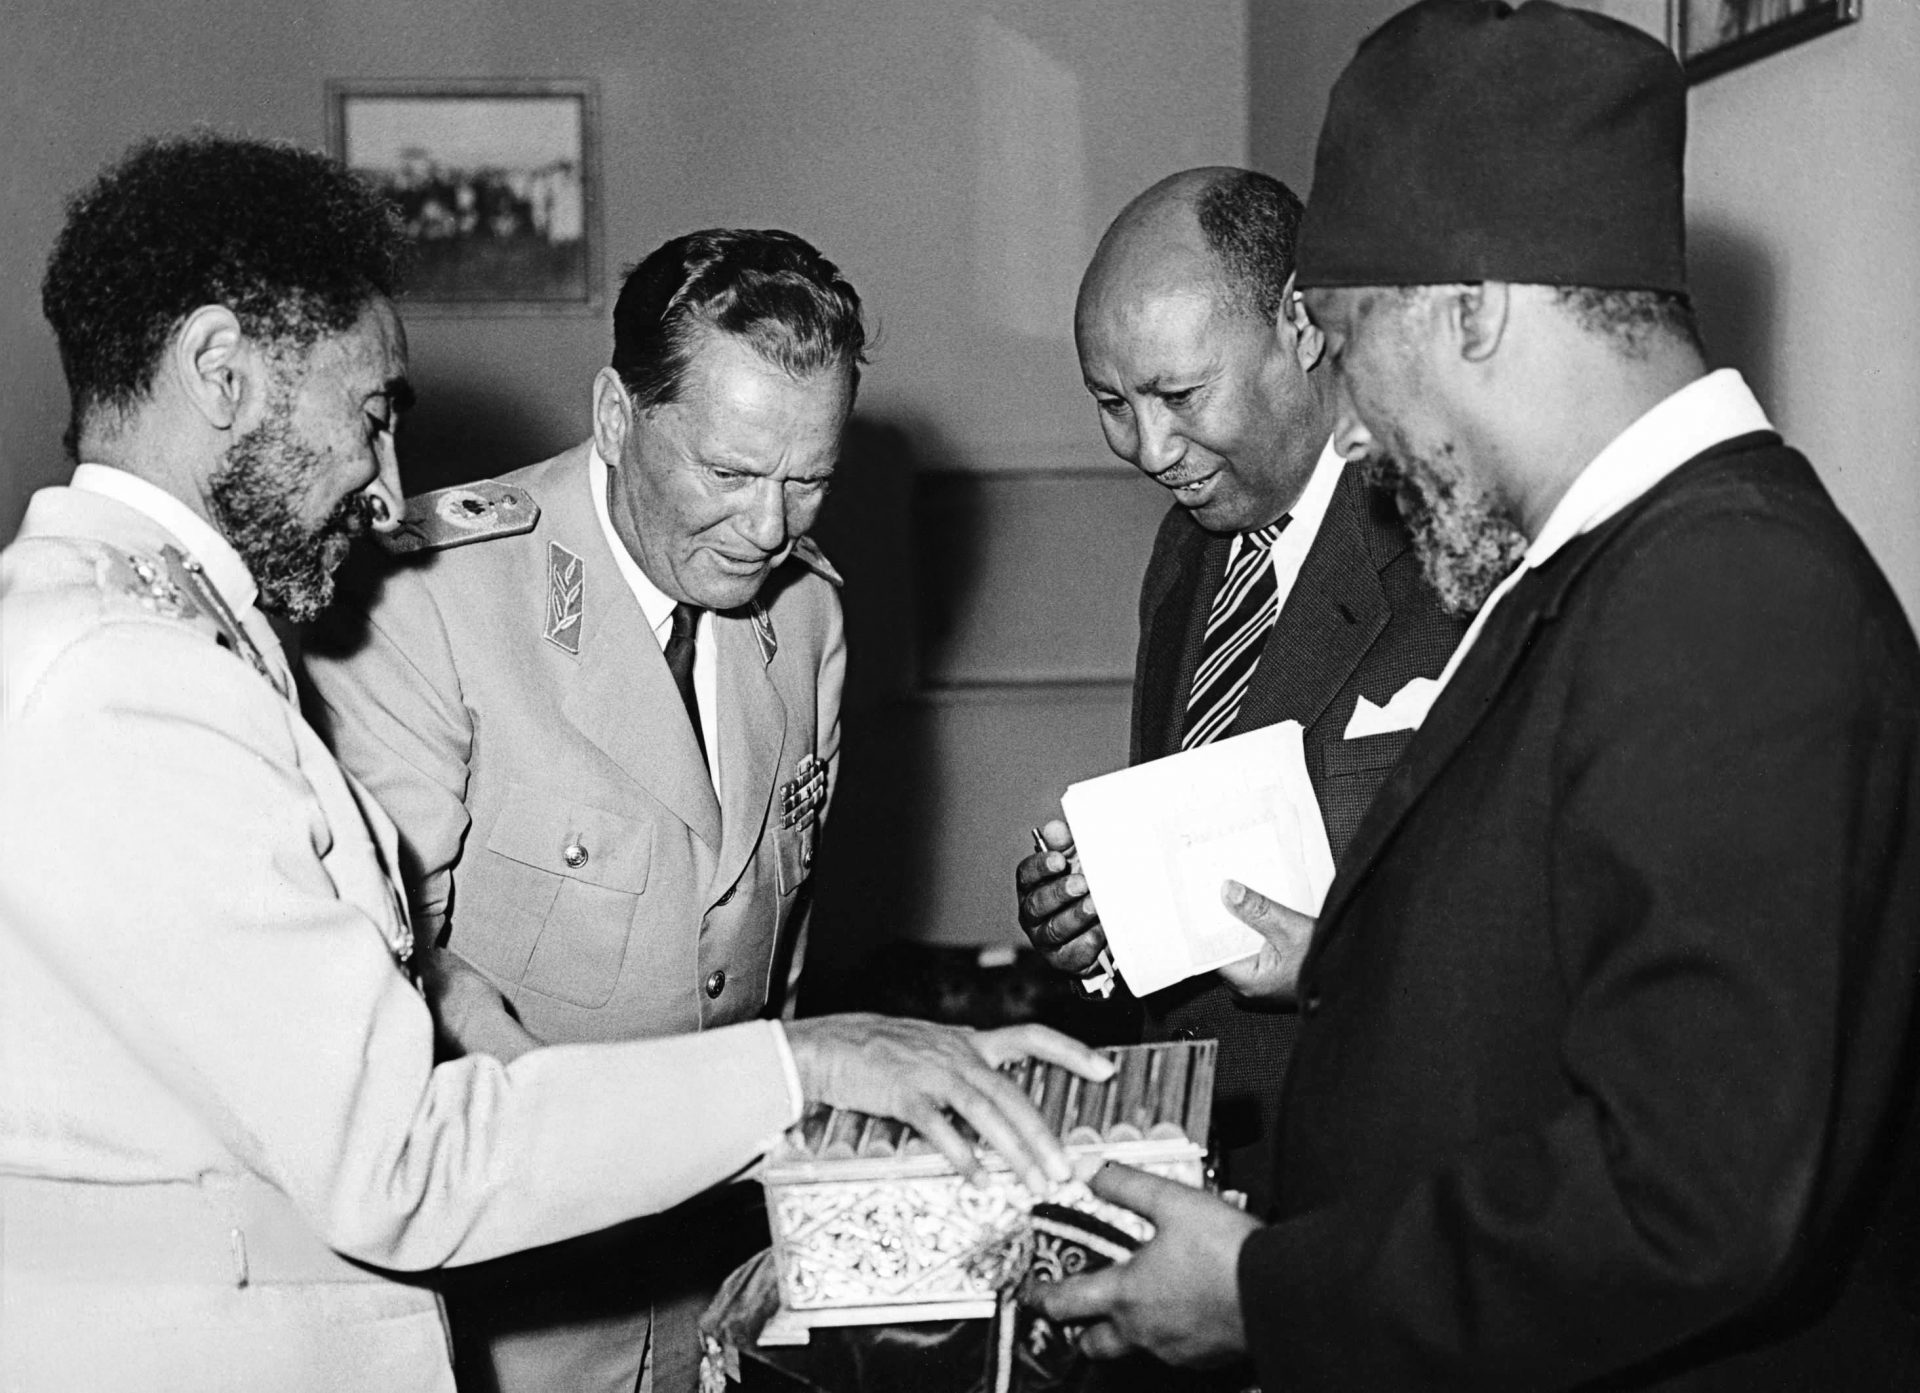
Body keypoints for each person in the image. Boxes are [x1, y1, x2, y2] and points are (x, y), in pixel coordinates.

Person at [0, 131, 1112, 1393]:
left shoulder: (151, 636)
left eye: (806, 480)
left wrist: (810, 1136)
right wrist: (802, 1074)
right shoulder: (126, 675)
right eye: (370, 416)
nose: (387, 487)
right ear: (218, 371)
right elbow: (400, 1146)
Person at [1033, 3, 1920, 1388]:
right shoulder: (1615, 563)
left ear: (1470, 308)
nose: (1356, 422)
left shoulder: (1729, 593)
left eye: (1349, 343)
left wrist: (1268, 1294)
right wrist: (1341, 955)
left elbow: (1690, 1199)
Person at [301, 226, 870, 1391]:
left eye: (808, 480)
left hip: (718, 1295)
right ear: (616, 415)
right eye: (729, 472)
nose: (771, 527)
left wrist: (790, 1219)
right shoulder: (430, 600)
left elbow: (771, 966)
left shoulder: (804, 614)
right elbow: (393, 989)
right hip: (511, 1308)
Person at [1014, 167, 1468, 1216]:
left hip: (1378, 1190)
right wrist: (1101, 919)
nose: (1148, 450)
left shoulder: (1457, 538)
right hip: (1201, 1176)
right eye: (1111, 405)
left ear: (1301, 323)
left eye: (1178, 396)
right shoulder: (1188, 551)